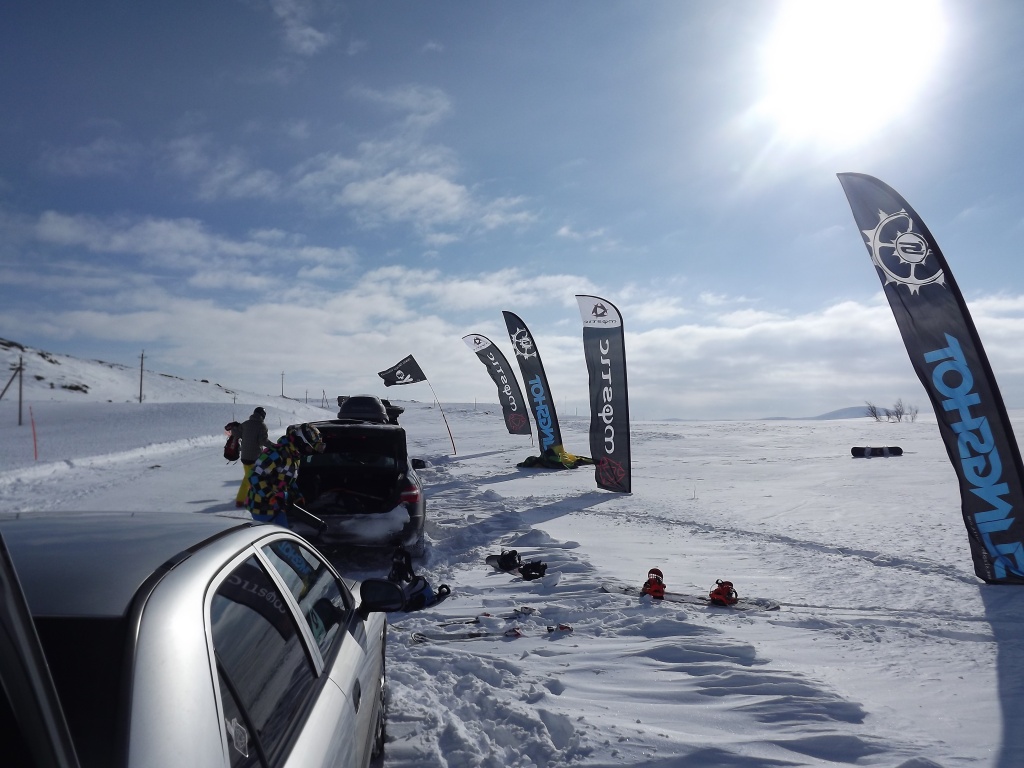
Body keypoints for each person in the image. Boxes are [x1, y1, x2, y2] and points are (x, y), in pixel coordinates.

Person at [246, 423, 325, 526]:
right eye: (309, 448)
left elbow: (287, 481)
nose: (310, 452)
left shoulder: (294, 457)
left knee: (283, 534)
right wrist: (271, 497)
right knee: (272, 535)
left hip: (277, 507)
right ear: (301, 442)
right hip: (261, 507)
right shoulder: (276, 453)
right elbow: (254, 476)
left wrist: (297, 496)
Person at [235, 407, 274, 507]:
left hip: (244, 456)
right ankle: (248, 500)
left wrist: (235, 427)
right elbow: (263, 441)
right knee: (253, 479)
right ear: (263, 415)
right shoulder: (262, 426)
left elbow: (237, 434)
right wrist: (274, 446)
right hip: (255, 458)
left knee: (248, 477)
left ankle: (243, 499)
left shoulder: (245, 424)